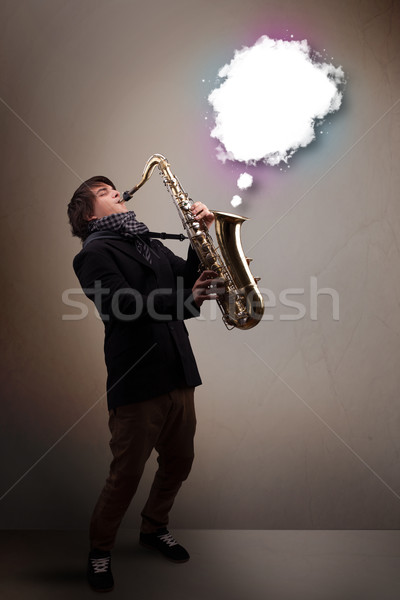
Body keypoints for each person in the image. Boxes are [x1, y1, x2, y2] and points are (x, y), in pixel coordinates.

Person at [67, 175, 223, 592]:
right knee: (126, 476)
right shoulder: (93, 254)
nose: (115, 191)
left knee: (180, 461)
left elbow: (186, 277)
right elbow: (121, 306)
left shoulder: (147, 244)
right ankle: (100, 551)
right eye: (103, 192)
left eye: (112, 187)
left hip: (177, 371)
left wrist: (198, 236)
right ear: (87, 214)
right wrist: (186, 297)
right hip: (137, 379)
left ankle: (153, 528)